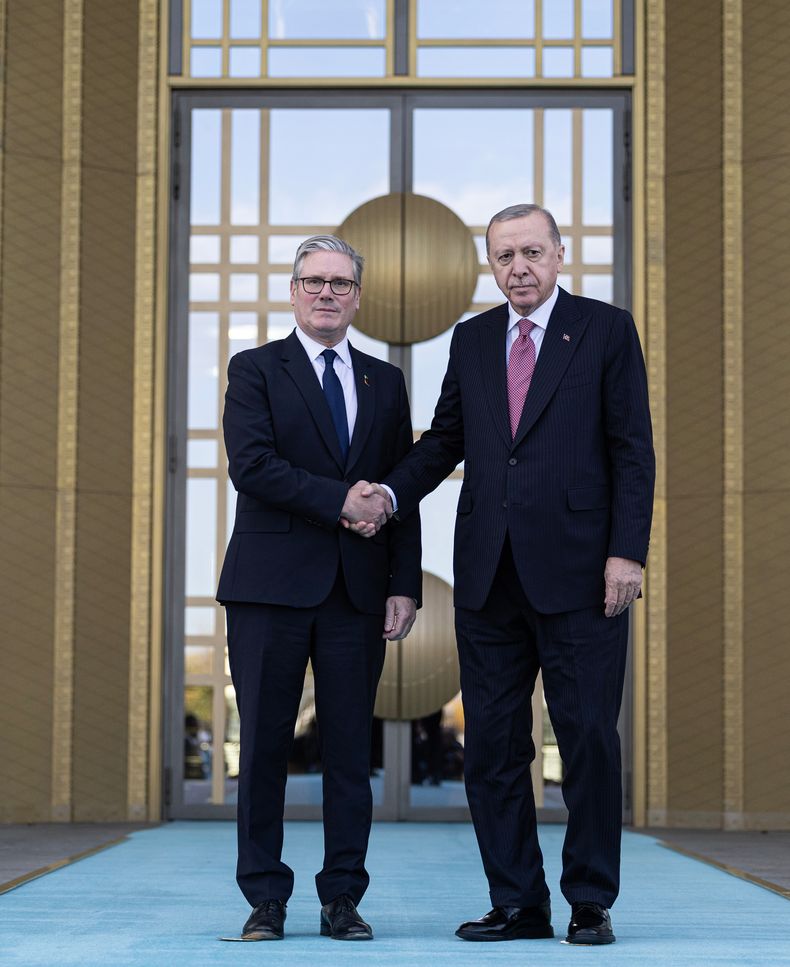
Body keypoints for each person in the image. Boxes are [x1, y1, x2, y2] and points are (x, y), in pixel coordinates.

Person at [357, 204, 655, 945]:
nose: (518, 267)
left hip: (585, 574)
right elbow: (447, 440)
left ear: (559, 253)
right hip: (489, 576)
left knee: (586, 735)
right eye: (503, 256)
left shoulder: (605, 329)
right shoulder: (472, 337)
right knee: (492, 746)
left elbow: (632, 449)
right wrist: (388, 492)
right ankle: (519, 901)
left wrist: (628, 551)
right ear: (490, 265)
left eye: (530, 251)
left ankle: (590, 898)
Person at [217, 235, 421, 942]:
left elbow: (403, 491)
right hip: (268, 590)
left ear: (358, 296)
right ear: (294, 291)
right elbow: (254, 467)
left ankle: (342, 898)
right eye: (313, 281)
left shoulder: (385, 382)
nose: (326, 292)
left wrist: (405, 584)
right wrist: (343, 501)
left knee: (346, 750)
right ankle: (265, 897)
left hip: (357, 593)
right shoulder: (254, 370)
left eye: (340, 282)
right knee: (266, 745)